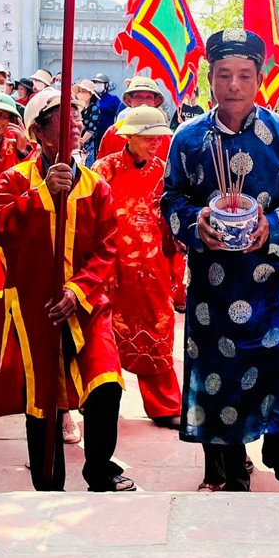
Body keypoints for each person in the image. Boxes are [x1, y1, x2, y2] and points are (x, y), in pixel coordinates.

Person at [160, 30, 279, 492]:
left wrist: (274, 224)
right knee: (218, 372)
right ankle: (227, 464)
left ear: (259, 78)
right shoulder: (188, 139)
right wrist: (195, 225)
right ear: (210, 79)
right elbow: (171, 196)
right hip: (215, 276)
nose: (234, 84)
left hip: (273, 270)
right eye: (224, 75)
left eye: (244, 75)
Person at [0, 89, 135, 492]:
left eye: (78, 119)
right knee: (44, 398)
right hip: (36, 306)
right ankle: (48, 480)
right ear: (38, 132)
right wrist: (41, 196)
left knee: (106, 385)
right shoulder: (15, 180)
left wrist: (78, 290)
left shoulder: (95, 187)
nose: (76, 126)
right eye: (64, 121)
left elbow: (106, 248)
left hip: (87, 305)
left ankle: (99, 468)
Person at [94, 106, 185, 427]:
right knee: (103, 337)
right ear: (129, 136)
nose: (156, 143)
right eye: (148, 137)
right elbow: (90, 220)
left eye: (160, 136)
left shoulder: (166, 173)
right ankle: (97, 403)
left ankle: (165, 406)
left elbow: (174, 223)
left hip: (153, 270)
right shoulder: (103, 171)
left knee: (157, 332)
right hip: (110, 270)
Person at [97, 74, 167, 160]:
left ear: (156, 101)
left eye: (149, 97)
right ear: (129, 100)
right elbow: (100, 167)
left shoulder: (163, 134)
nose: (143, 102)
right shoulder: (114, 132)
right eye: (138, 96)